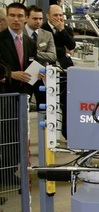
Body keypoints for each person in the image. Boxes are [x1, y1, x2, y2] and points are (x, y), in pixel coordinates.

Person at [0, 2, 37, 186]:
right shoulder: (0, 40)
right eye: (12, 15)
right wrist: (10, 74)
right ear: (7, 17)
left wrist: (29, 90)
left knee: (18, 139)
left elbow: (32, 66)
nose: (16, 19)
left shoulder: (30, 42)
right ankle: (4, 173)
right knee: (5, 138)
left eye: (20, 16)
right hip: (4, 97)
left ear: (25, 18)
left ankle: (8, 172)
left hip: (22, 99)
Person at [41, 4, 75, 139]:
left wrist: (61, 30)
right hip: (47, 71)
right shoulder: (42, 29)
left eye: (61, 15)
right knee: (48, 103)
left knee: (66, 104)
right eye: (55, 15)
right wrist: (62, 50)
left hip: (65, 71)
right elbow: (48, 51)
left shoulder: (66, 29)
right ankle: (49, 136)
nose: (59, 18)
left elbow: (71, 46)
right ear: (48, 16)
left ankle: (67, 134)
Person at [25, 5, 56, 108]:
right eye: (35, 18)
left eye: (40, 18)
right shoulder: (20, 33)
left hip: (41, 77)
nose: (38, 21)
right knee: (22, 108)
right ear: (26, 18)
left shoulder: (47, 35)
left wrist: (33, 52)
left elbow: (52, 56)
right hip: (23, 77)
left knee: (43, 108)